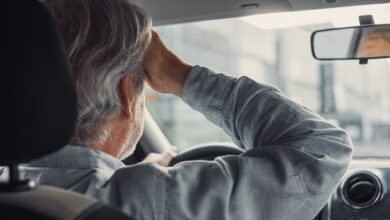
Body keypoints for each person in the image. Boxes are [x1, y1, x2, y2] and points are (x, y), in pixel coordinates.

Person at [7, 0, 353, 219]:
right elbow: (322, 150)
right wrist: (180, 75)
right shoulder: (155, 199)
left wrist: (135, 173)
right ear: (127, 94)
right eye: (144, 83)